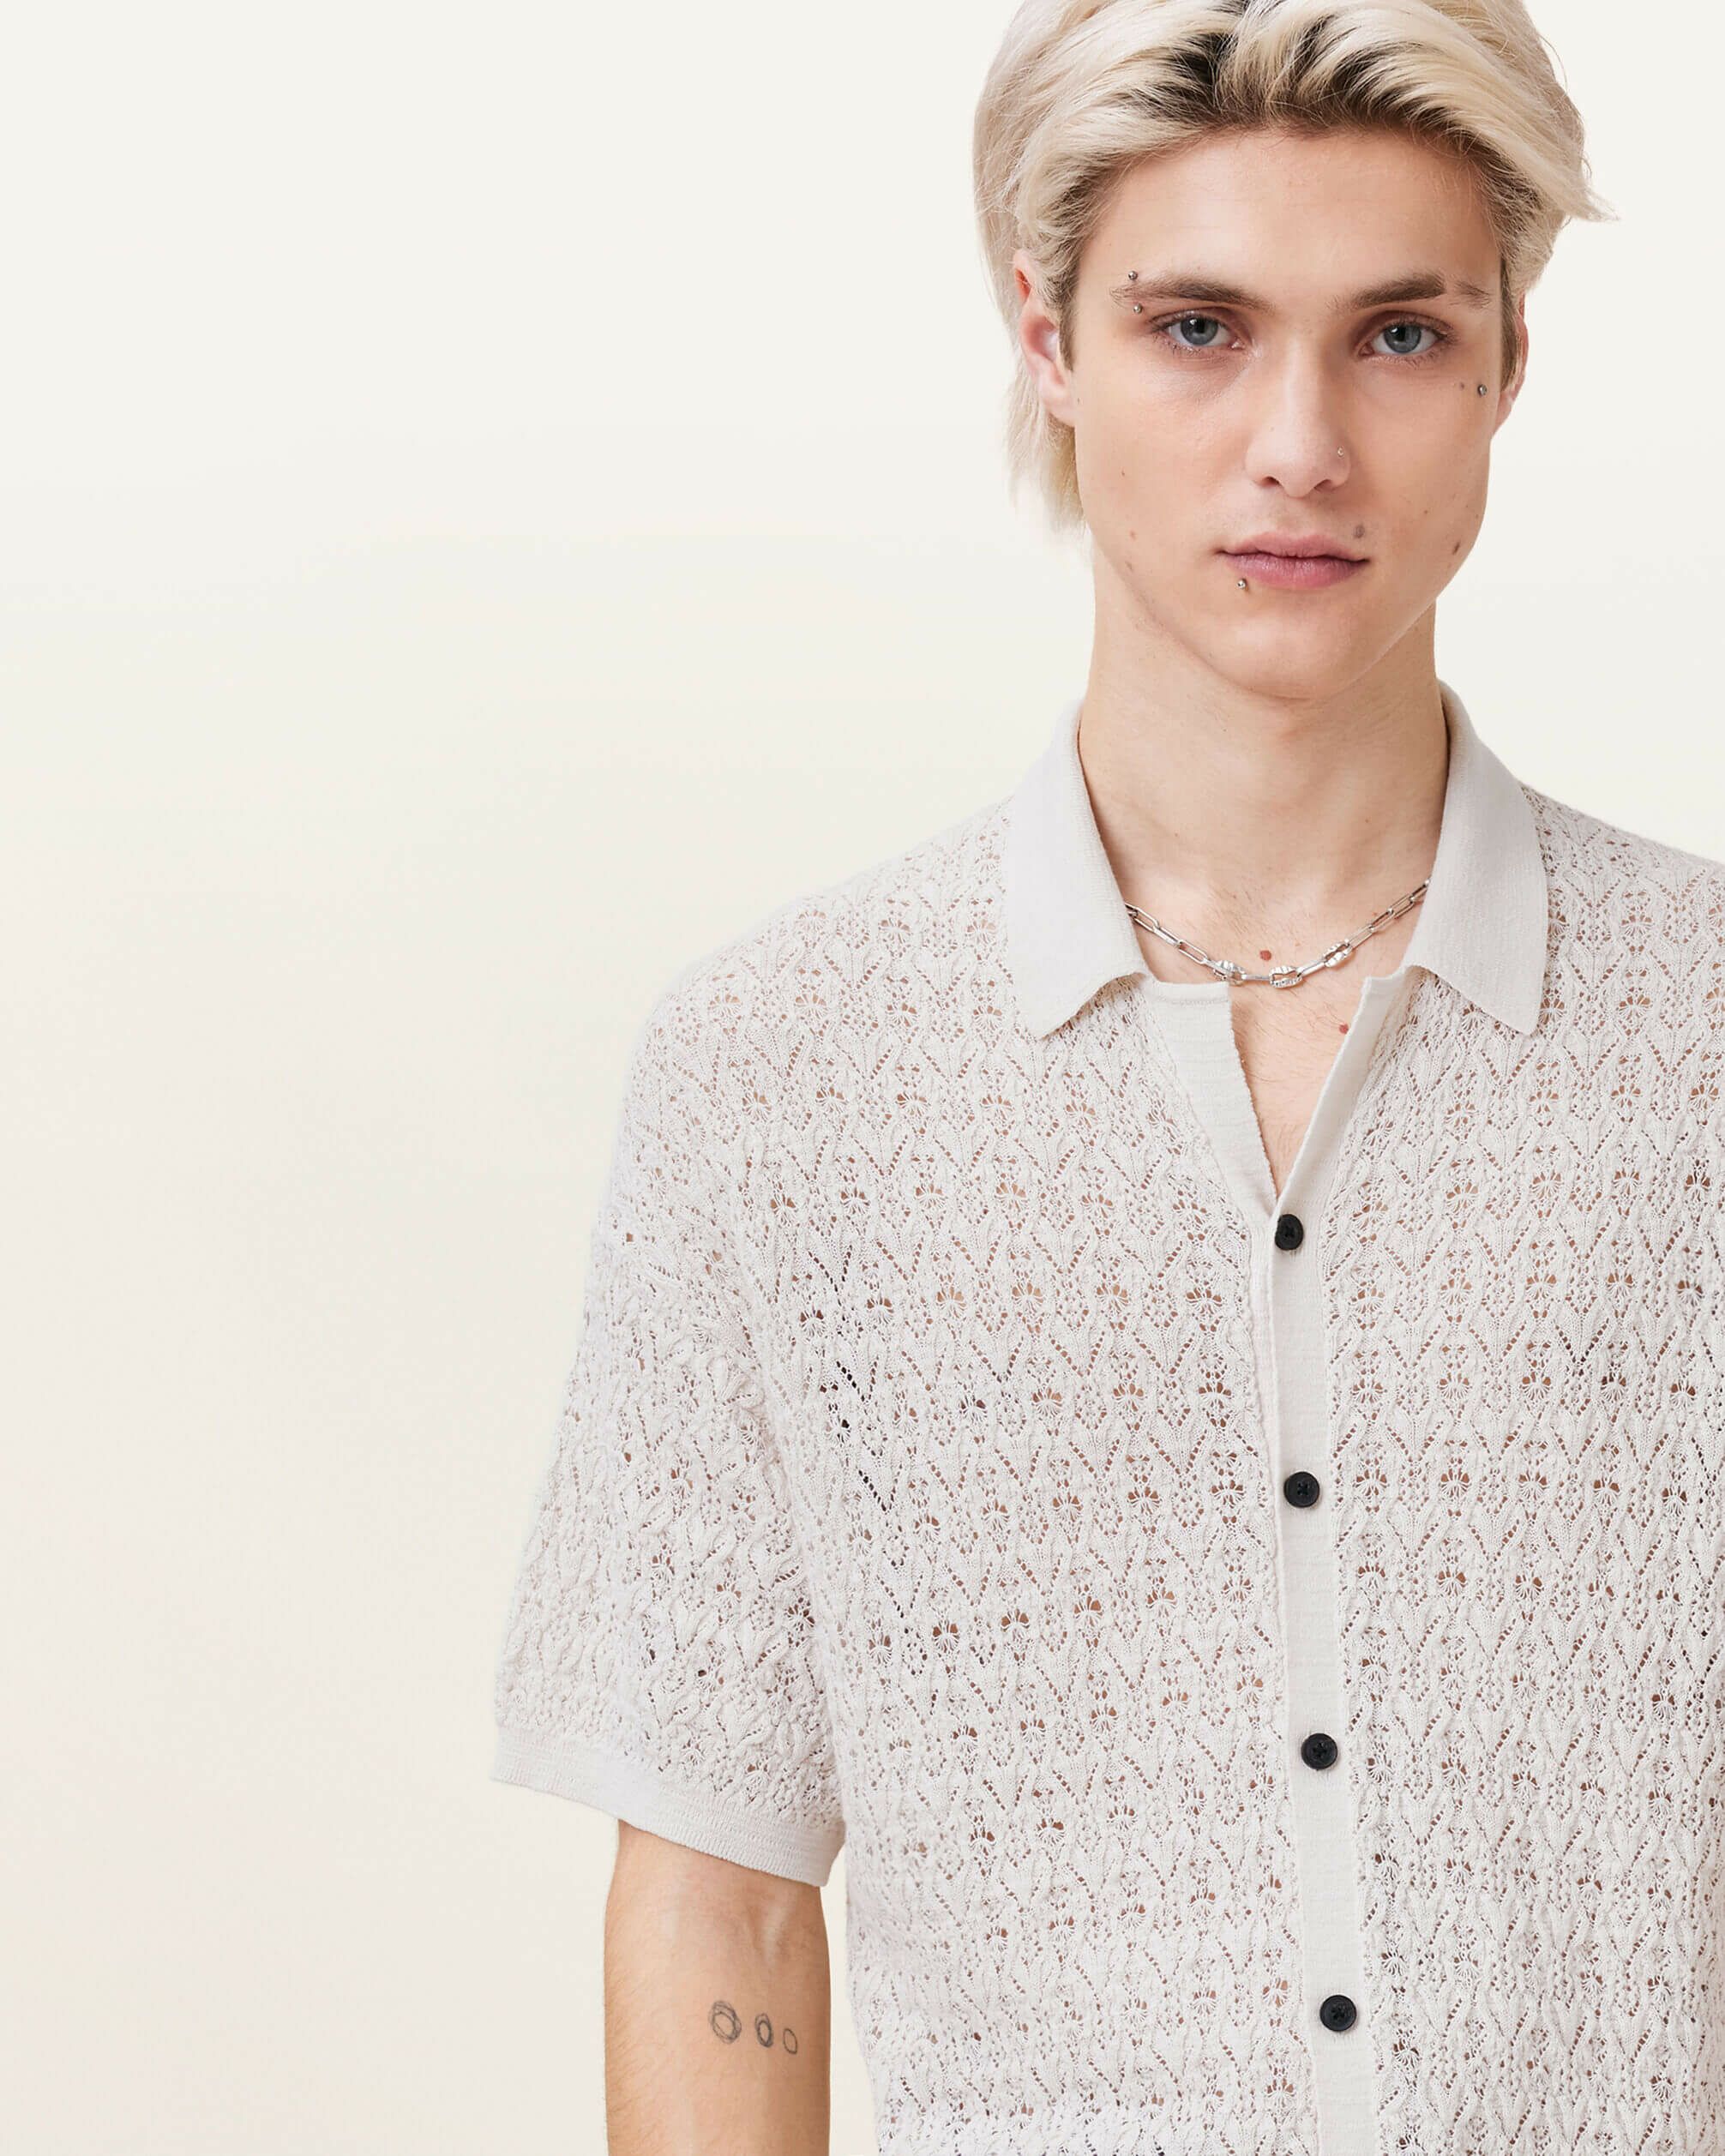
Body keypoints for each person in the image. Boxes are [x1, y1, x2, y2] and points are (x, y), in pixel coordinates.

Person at [490, 3, 1725, 2150]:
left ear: (1509, 363)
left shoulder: (1697, 1041)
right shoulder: (780, 1076)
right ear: (1047, 339)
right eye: (1198, 328)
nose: (1299, 444)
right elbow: (720, 1890)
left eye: (1399, 336)